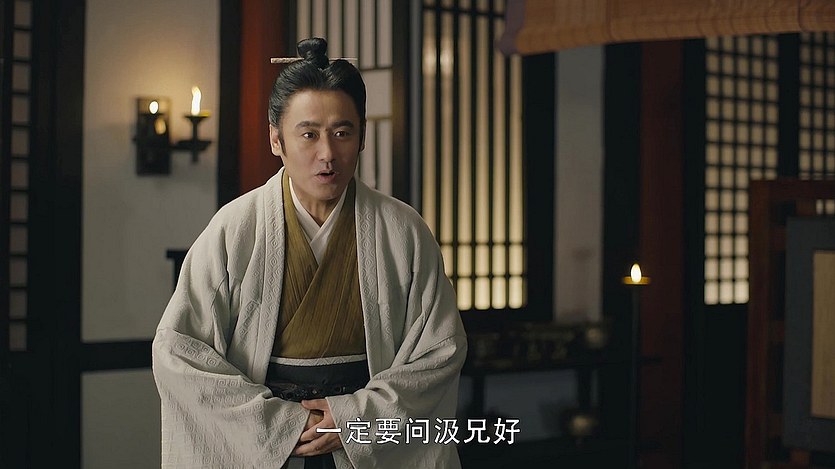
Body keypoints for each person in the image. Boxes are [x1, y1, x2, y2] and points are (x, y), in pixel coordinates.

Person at [152, 37, 467, 469]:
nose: (327, 153)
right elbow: (179, 350)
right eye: (309, 134)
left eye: (342, 133)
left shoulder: (403, 231)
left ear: (362, 137)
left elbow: (440, 350)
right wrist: (281, 425)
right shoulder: (234, 229)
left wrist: (353, 418)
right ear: (276, 139)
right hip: (269, 438)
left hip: (365, 442)